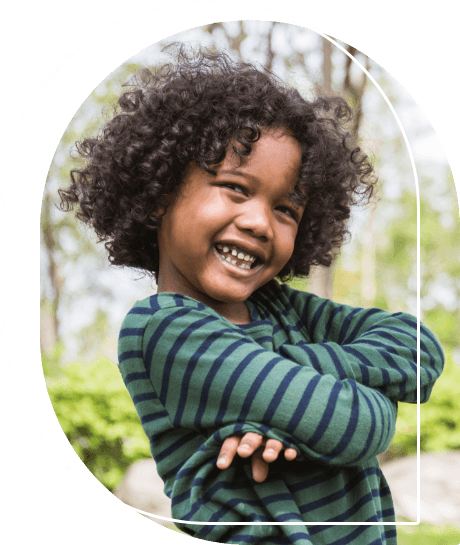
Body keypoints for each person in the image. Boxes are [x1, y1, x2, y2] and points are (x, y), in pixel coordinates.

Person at [59, 44, 444, 544]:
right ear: (158, 195)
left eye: (287, 209)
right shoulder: (163, 329)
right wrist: (364, 391)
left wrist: (292, 376)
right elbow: (359, 427)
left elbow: (418, 348)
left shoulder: (282, 308)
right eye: (236, 189)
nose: (260, 221)